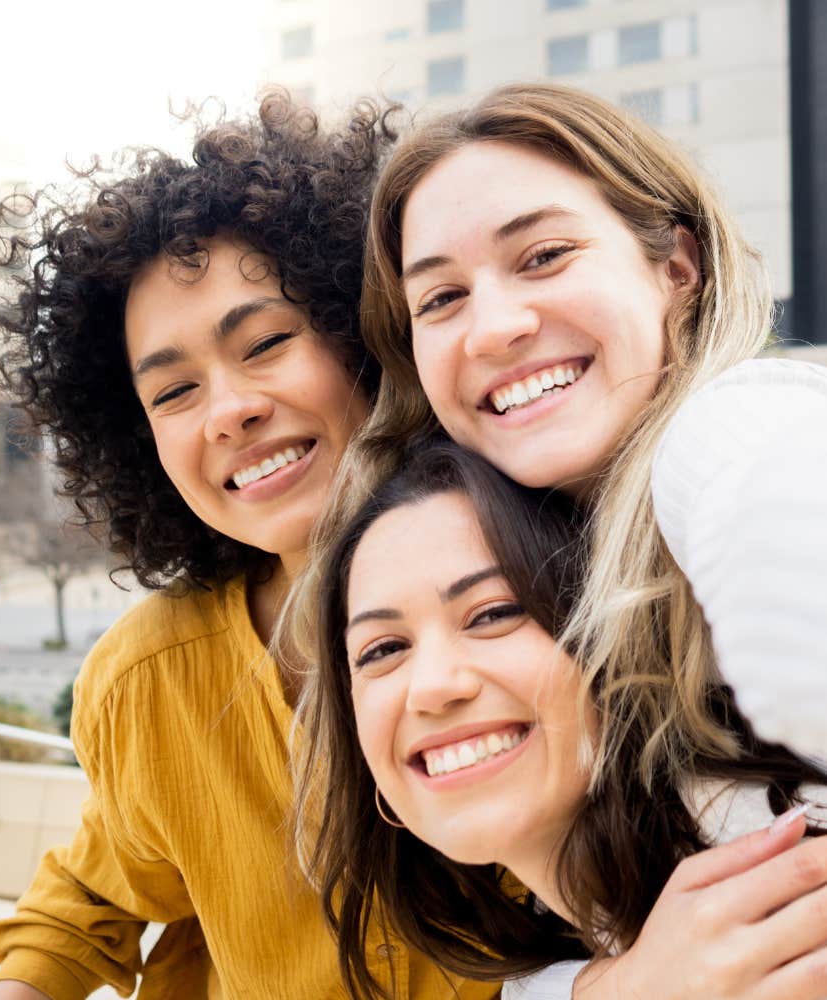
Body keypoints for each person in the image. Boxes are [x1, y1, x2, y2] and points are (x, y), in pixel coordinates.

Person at [289, 82, 827, 997]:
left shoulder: (733, 439)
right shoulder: (615, 580)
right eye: (442, 298)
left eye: (544, 255)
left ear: (678, 266)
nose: (496, 326)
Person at [0, 94, 498, 1000]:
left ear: (366, 334)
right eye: (172, 394)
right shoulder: (149, 677)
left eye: (265, 342)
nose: (229, 411)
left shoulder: (558, 600)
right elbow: (96, 891)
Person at [302, 438, 827, 1000]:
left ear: (605, 636)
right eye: (382, 650)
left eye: (493, 614)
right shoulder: (559, 960)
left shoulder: (772, 845)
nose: (432, 687)